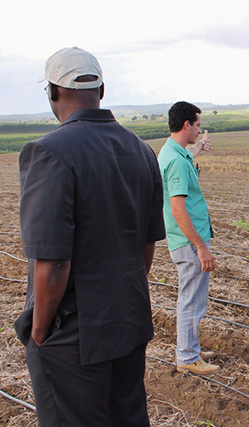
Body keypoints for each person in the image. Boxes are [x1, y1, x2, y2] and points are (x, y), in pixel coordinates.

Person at [14, 47, 165, 426]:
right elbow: (146, 245)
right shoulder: (142, 150)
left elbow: (53, 261)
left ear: (52, 93)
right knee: (127, 417)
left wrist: (39, 331)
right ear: (102, 89)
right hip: (129, 317)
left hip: (74, 330)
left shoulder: (48, 152)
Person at [158, 101, 219, 375]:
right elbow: (177, 209)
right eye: (197, 125)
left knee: (193, 298)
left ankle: (190, 347)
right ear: (186, 125)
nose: (198, 130)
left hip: (184, 241)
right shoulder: (176, 161)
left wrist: (199, 147)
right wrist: (201, 246)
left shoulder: (173, 151)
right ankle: (187, 358)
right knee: (191, 300)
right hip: (187, 243)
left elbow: (189, 150)